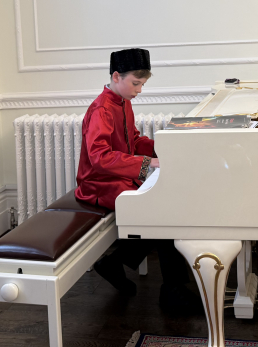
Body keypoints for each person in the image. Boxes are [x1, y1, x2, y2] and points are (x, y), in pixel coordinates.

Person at [75, 48, 201, 315]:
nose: (139, 90)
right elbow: (99, 158)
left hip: (119, 177)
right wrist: (149, 163)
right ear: (116, 76)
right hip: (98, 183)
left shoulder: (123, 102)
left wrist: (164, 147)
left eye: (142, 84)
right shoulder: (101, 109)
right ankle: (172, 289)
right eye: (136, 83)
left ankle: (117, 264)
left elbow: (132, 140)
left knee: (160, 207)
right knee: (158, 210)